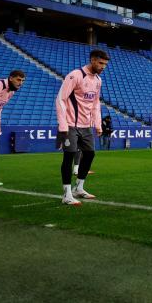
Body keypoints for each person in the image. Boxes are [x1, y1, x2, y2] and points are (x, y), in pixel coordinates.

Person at [56, 50, 108, 206]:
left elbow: (95, 104)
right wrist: (63, 124)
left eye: (105, 64)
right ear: (92, 60)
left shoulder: (98, 80)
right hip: (70, 125)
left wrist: (98, 124)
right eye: (100, 63)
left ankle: (79, 188)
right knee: (69, 155)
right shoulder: (75, 75)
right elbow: (60, 99)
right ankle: (66, 194)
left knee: (90, 154)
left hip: (87, 126)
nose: (103, 67)